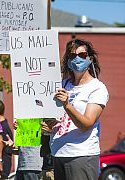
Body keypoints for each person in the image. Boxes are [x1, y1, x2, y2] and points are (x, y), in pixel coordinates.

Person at [41, 39, 109, 180]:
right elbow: (55, 118)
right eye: (72, 56)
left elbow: (86, 124)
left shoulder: (97, 88)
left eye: (82, 55)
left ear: (90, 59)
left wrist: (67, 104)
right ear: (68, 60)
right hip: (57, 153)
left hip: (80, 155)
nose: (77, 59)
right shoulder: (62, 84)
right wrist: (47, 124)